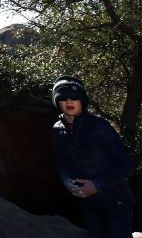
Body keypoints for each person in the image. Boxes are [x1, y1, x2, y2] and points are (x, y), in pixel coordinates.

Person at [51, 76, 135, 238]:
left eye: (74, 97)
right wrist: (66, 181)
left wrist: (97, 185)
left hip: (115, 200)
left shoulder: (99, 126)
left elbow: (126, 163)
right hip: (87, 203)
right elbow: (61, 162)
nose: (69, 102)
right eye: (63, 98)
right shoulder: (57, 129)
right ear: (57, 102)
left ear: (82, 100)